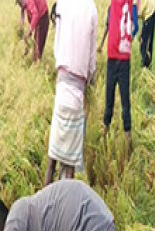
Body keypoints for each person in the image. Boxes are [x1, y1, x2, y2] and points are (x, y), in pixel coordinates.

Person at [45, 0, 98, 185]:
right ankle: (66, 199)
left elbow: (56, 47)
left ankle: (46, 196)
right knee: (70, 163)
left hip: (62, 85)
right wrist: (91, 76)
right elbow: (91, 57)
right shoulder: (91, 8)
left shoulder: (62, 4)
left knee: (53, 156)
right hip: (78, 90)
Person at [99, 0, 138, 142]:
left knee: (123, 101)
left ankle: (127, 139)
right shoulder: (122, 6)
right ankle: (106, 132)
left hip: (121, 59)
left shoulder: (126, 5)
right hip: (116, 58)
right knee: (113, 99)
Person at [138, 0, 155, 68]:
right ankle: (146, 66)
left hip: (150, 11)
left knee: (145, 44)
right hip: (147, 10)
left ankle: (146, 68)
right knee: (144, 41)